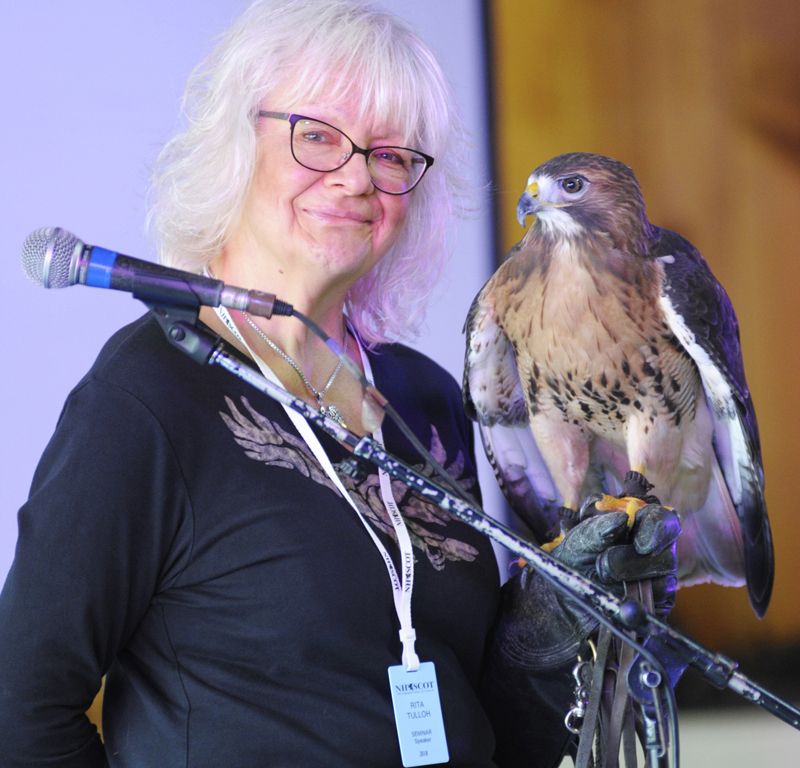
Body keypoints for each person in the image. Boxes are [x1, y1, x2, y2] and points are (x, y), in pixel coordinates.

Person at [0, 1, 679, 766]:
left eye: (392, 157)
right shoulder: (147, 397)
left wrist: (548, 640)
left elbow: (485, 725)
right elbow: (19, 710)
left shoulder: (422, 399)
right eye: (317, 136)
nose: (357, 177)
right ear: (236, 140)